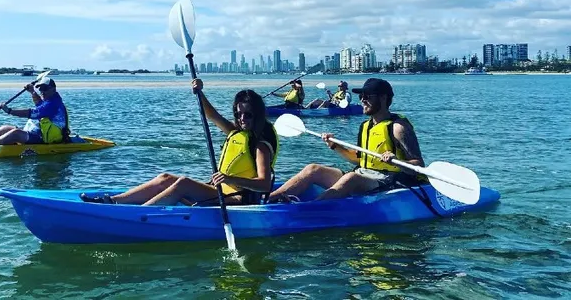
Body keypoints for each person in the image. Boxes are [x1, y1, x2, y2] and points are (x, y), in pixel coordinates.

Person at [80, 79, 279, 206]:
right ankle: (113, 201)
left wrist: (228, 179)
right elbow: (212, 115)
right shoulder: (237, 133)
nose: (242, 119)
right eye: (238, 114)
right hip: (220, 191)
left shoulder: (260, 145)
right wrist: (199, 92)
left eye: (248, 114)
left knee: (183, 183)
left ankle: (140, 213)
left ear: (257, 115)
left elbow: (264, 184)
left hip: (238, 200)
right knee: (165, 178)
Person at [269, 78, 424, 202]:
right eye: (361, 96)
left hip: (389, 180)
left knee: (351, 177)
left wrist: (396, 161)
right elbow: (359, 160)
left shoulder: (398, 127)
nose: (363, 100)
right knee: (313, 169)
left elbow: (418, 165)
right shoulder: (365, 126)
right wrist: (335, 146)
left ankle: (309, 209)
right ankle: (269, 199)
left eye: (367, 96)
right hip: (364, 174)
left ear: (383, 98)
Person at [0, 77, 69, 145]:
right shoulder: (49, 100)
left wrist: (9, 111)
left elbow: (32, 113)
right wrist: (32, 91)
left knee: (15, 133)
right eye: (40, 89)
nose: (42, 92)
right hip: (37, 133)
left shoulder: (53, 104)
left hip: (43, 138)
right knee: (5, 128)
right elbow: (40, 104)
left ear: (53, 89)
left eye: (45, 89)